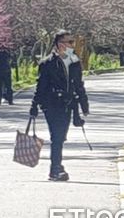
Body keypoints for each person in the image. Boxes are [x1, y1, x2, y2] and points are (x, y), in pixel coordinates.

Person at [29, 30, 90, 182]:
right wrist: (34, 105)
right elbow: (41, 85)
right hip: (51, 104)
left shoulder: (74, 61)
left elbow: (78, 84)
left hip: (68, 104)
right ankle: (55, 169)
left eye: (72, 42)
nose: (72, 45)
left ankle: (57, 166)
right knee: (56, 136)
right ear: (59, 44)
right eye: (69, 42)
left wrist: (84, 103)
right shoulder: (47, 63)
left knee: (61, 137)